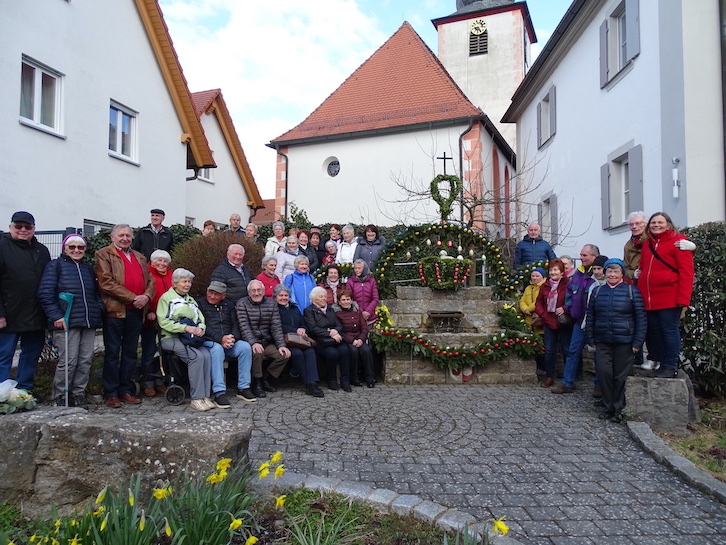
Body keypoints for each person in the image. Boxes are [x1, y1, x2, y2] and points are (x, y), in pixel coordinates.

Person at [37, 234, 103, 409]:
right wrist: (56, 316)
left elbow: (95, 294)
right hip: (66, 322)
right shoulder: (55, 266)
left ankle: (79, 393)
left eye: (80, 247)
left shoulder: (87, 268)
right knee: (68, 361)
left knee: (85, 360)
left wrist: (98, 309)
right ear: (64, 248)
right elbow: (45, 293)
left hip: (88, 322)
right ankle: (60, 395)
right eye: (72, 247)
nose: (76, 250)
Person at [95, 224, 155, 408]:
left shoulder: (139, 256)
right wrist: (132, 297)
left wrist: (146, 296)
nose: (125, 238)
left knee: (130, 353)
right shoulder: (103, 254)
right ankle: (111, 393)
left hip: (136, 312)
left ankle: (125, 390)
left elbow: (150, 280)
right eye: (121, 235)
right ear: (113, 237)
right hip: (115, 311)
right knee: (113, 353)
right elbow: (106, 282)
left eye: (128, 235)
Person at [586, 259, 647, 422]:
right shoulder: (597, 292)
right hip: (603, 340)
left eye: (616, 271)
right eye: (609, 271)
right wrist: (590, 338)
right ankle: (608, 407)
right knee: (605, 374)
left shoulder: (631, 291)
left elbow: (641, 318)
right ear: (605, 273)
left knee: (621, 376)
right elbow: (591, 316)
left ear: (621, 274)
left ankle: (619, 409)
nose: (612, 274)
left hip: (625, 341)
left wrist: (637, 342)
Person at [637, 212, 695, 379]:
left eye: (660, 222)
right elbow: (643, 269)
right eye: (653, 222)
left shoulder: (679, 242)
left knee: (669, 331)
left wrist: (683, 299)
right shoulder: (647, 244)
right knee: (655, 332)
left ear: (668, 224)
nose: (656, 225)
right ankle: (662, 364)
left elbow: (686, 272)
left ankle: (670, 365)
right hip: (649, 298)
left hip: (669, 297)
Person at [0, 211, 51, 394]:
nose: (23, 230)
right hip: (9, 313)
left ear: (34, 229)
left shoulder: (42, 250)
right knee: (3, 355)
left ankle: (23, 391)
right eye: (18, 226)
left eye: (27, 227)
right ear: (10, 227)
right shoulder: (2, 247)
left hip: (36, 314)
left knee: (30, 355)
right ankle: (2, 393)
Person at [157, 268, 214, 412]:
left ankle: (205, 396)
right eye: (184, 281)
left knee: (206, 355)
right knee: (196, 357)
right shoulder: (166, 298)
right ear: (175, 283)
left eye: (189, 282)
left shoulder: (190, 300)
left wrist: (200, 328)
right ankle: (196, 398)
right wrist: (185, 328)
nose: (187, 284)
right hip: (170, 337)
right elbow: (163, 322)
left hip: (189, 338)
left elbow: (200, 318)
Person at [197, 280, 255, 406]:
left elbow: (236, 324)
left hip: (228, 342)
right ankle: (219, 392)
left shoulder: (229, 305)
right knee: (217, 349)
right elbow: (203, 327)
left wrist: (232, 338)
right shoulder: (200, 305)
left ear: (223, 295)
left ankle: (243, 387)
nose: (212, 296)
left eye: (216, 294)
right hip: (209, 342)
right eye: (210, 292)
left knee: (245, 347)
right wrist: (220, 339)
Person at [551, 245, 600, 394]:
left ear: (594, 256)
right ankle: (567, 382)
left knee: (598, 354)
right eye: (581, 255)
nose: (582, 258)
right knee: (573, 351)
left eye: (585, 255)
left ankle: (599, 385)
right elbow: (570, 295)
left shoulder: (599, 272)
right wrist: (568, 309)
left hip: (596, 321)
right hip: (580, 321)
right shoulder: (578, 274)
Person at [236, 280, 291, 397]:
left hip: (266, 340)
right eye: (253, 291)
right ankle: (257, 382)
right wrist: (253, 342)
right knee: (257, 353)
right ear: (249, 292)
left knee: (284, 354)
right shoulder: (242, 303)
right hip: (250, 341)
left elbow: (276, 326)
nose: (256, 293)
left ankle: (266, 377)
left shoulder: (271, 303)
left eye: (259, 290)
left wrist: (281, 345)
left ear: (264, 291)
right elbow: (244, 326)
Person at [274, 284, 324, 397]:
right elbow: (277, 325)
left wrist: (302, 329)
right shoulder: (274, 309)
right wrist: (295, 330)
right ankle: (307, 383)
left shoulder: (294, 308)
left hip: (300, 339)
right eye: (280, 295)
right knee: (297, 354)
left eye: (286, 295)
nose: (283, 298)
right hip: (285, 340)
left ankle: (313, 382)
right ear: (275, 297)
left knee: (310, 351)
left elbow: (303, 323)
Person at [139, 249, 173, 397]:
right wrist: (148, 312)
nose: (162, 263)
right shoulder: (148, 275)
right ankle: (147, 382)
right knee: (149, 350)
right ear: (152, 262)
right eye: (159, 260)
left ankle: (159, 381)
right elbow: (144, 294)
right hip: (151, 318)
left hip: (167, 320)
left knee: (163, 352)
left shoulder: (171, 276)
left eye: (165, 261)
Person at [304, 287, 351, 392]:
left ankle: (345, 380)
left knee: (345, 350)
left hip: (335, 338)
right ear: (314, 299)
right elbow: (313, 329)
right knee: (332, 353)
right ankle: (331, 380)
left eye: (325, 296)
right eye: (321, 296)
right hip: (321, 341)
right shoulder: (309, 311)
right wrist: (330, 333)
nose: (324, 298)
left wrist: (335, 331)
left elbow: (339, 325)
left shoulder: (330, 309)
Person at [535, 258, 571, 388]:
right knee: (549, 350)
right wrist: (542, 314)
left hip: (563, 321)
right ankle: (549, 376)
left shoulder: (568, 284)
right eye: (551, 270)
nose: (553, 272)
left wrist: (565, 308)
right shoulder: (545, 285)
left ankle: (568, 378)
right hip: (548, 320)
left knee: (567, 350)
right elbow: (538, 302)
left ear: (562, 272)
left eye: (556, 270)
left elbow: (572, 300)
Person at [334, 290, 375, 388]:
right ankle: (354, 378)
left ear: (352, 300)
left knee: (366, 350)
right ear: (339, 302)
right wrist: (352, 341)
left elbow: (364, 327)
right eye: (343, 300)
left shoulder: (357, 311)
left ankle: (370, 378)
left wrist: (361, 339)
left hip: (359, 338)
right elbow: (340, 330)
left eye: (348, 299)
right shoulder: (336, 314)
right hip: (347, 340)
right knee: (353, 351)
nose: (346, 302)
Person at [519, 267, 546, 374]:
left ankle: (544, 369)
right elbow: (522, 300)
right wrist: (525, 309)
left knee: (543, 347)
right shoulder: (528, 288)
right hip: (529, 321)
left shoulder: (544, 287)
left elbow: (538, 302)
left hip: (539, 323)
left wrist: (529, 308)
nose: (534, 278)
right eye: (533, 276)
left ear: (542, 277)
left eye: (537, 276)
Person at [346, 259, 380, 325]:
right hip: (356, 315)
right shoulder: (350, 282)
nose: (357, 270)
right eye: (355, 268)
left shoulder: (371, 281)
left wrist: (368, 311)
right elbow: (350, 299)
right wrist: (360, 312)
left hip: (370, 316)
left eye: (359, 268)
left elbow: (375, 298)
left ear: (364, 269)